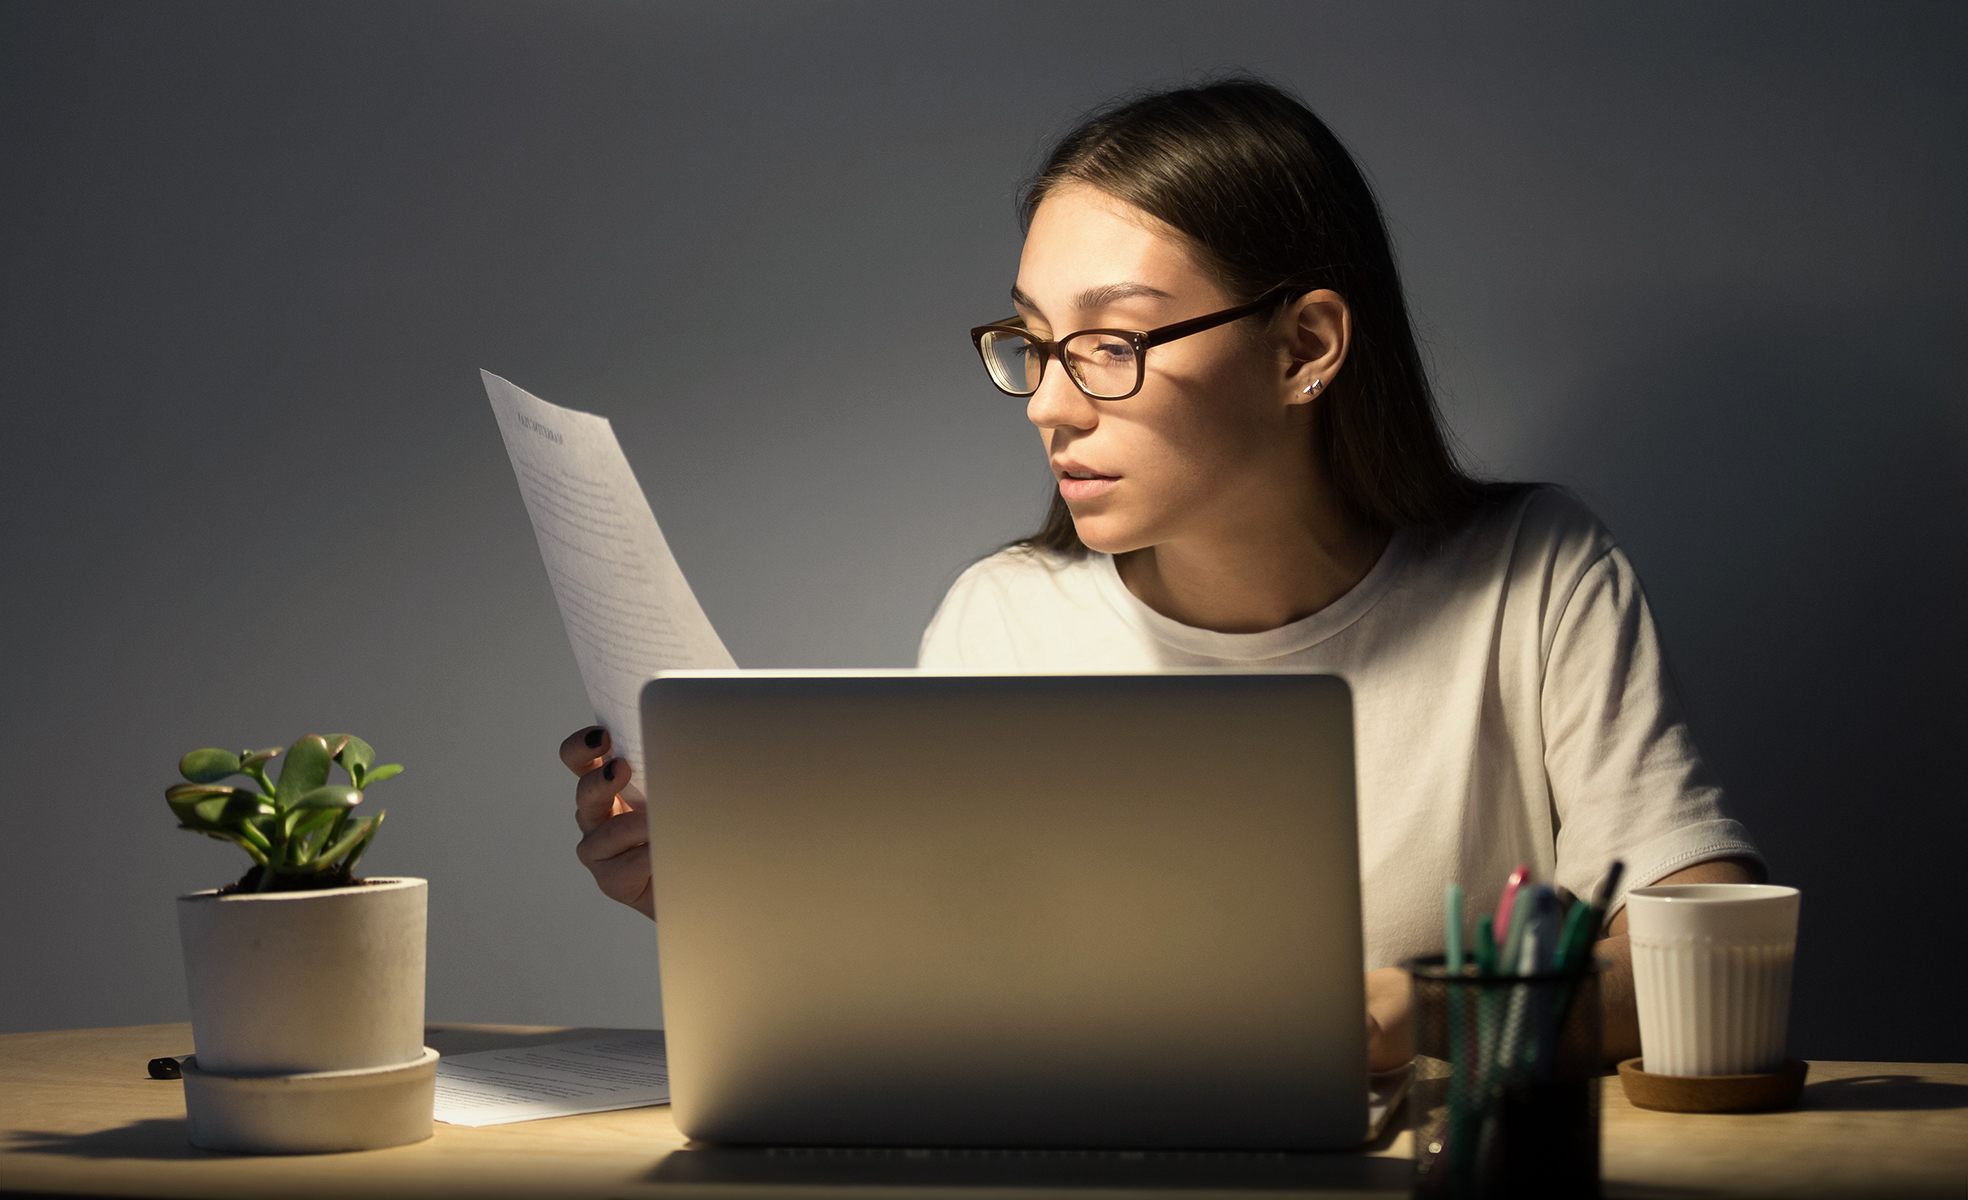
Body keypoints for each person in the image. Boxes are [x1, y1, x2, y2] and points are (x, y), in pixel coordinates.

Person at [558, 78, 1764, 1071]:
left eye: (1111, 344)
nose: (1047, 401)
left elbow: (1703, 967)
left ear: (1305, 349)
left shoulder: (1532, 577)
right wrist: (712, 903)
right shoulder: (1006, 621)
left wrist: (1417, 1011)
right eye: (1033, 342)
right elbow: (933, 999)